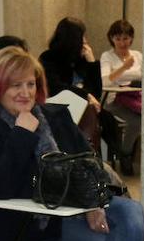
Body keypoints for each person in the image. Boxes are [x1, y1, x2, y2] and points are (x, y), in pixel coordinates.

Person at [0, 46, 144, 241]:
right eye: (15, 85)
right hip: (33, 224)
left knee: (133, 211)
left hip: (76, 205)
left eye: (31, 84)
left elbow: (90, 162)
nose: (26, 92)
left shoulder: (54, 115)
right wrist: (21, 134)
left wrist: (93, 205)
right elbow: (1, 187)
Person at [41, 16, 121, 156]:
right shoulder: (49, 58)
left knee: (102, 116)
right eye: (82, 36)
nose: (85, 40)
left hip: (86, 108)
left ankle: (100, 155)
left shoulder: (81, 59)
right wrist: (86, 95)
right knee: (95, 112)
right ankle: (88, 154)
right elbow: (57, 87)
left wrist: (91, 62)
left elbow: (96, 93)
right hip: (60, 109)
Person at [99, 19, 142, 175]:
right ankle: (125, 154)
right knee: (137, 121)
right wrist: (124, 67)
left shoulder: (137, 55)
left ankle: (129, 153)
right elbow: (105, 80)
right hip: (114, 100)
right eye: (118, 38)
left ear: (131, 38)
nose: (122, 42)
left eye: (125, 38)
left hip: (136, 98)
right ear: (111, 39)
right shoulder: (107, 56)